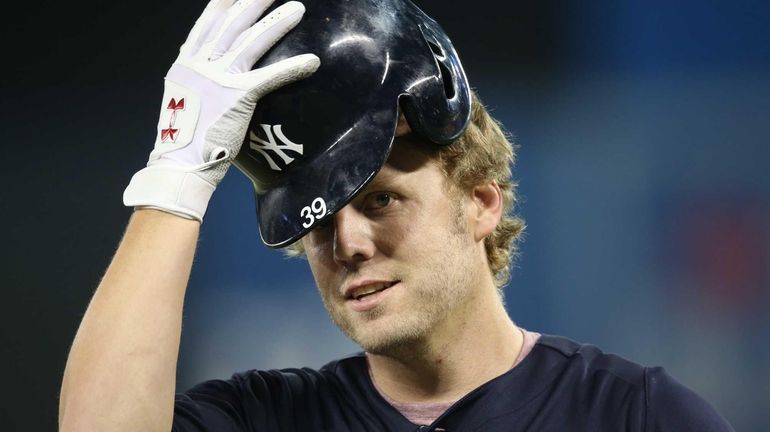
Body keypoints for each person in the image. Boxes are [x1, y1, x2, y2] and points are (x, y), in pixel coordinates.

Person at [59, 0, 736, 431]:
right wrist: (175, 177)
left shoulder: (632, 416)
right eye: (318, 221)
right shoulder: (263, 418)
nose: (347, 242)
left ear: (481, 202)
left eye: (381, 200)